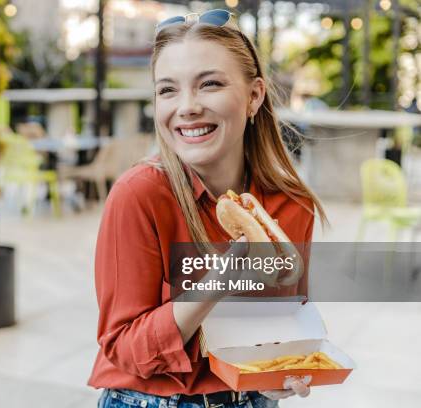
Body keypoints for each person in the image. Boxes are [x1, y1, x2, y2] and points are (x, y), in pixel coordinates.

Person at [88, 9, 327, 408]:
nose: (187, 107)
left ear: (254, 96)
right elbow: (124, 347)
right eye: (168, 90)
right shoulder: (140, 194)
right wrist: (220, 280)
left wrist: (278, 369)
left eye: (209, 84)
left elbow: (283, 321)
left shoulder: (291, 204)